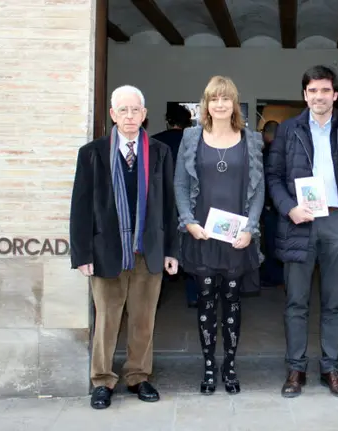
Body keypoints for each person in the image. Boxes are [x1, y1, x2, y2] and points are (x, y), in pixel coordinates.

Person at [266, 65, 338, 398]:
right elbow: (273, 176)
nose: (319, 96)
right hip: (298, 221)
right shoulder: (288, 130)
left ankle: (331, 368)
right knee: (296, 301)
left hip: (337, 222)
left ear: (335, 94)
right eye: (312, 90)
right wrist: (289, 208)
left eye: (325, 90)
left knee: (334, 301)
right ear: (305, 95)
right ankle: (296, 369)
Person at [69, 85, 180, 409]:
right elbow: (80, 206)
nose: (129, 116)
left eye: (135, 110)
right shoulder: (92, 153)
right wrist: (82, 253)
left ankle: (138, 376)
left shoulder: (160, 152)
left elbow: (168, 203)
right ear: (112, 114)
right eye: (123, 110)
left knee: (143, 320)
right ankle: (102, 380)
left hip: (148, 249)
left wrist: (171, 250)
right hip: (107, 250)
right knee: (107, 319)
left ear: (144, 115)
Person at [174, 75, 265, 395]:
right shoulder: (191, 138)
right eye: (214, 98)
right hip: (202, 236)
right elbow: (180, 184)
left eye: (226, 98)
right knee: (206, 303)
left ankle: (230, 365)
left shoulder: (251, 140)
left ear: (234, 103)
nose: (220, 104)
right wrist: (188, 221)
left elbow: (258, 189)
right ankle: (209, 366)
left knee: (233, 302)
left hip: (237, 239)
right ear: (206, 104)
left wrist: (251, 229)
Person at [153, 103, 200, 308]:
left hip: (162, 199)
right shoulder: (194, 142)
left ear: (168, 120)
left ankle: (157, 291)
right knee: (190, 244)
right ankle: (193, 294)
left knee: (162, 243)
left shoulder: (154, 141)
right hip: (189, 200)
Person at [259, 120, 285, 288]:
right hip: (285, 205)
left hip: (270, 205)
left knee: (270, 242)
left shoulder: (266, 153)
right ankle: (281, 275)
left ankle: (272, 276)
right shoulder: (287, 151)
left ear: (265, 133)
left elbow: (265, 180)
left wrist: (267, 203)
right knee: (280, 241)